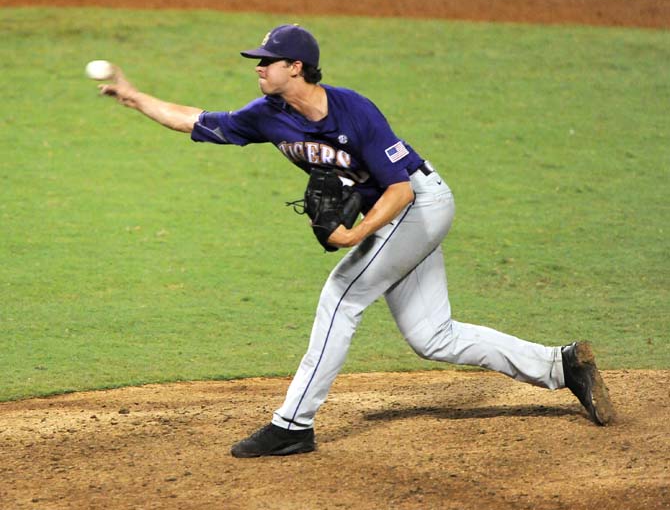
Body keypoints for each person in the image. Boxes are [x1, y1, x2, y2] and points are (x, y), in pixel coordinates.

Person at [97, 24, 615, 458]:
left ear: (296, 66)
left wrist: (358, 234)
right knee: (431, 336)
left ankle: (292, 426)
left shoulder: (353, 111)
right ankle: (562, 364)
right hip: (395, 214)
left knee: (341, 296)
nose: (257, 67)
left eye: (267, 61)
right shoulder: (266, 114)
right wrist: (132, 95)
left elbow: (399, 188)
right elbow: (195, 119)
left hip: (418, 205)